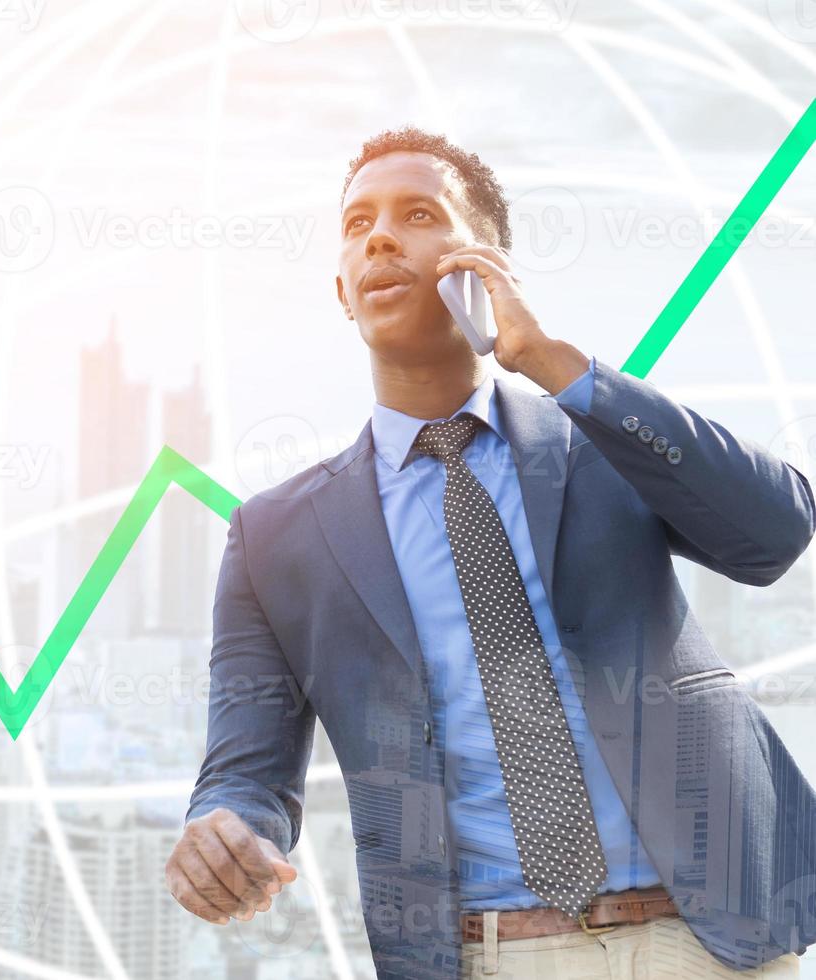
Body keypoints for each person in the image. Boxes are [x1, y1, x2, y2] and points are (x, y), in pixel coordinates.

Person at [165, 126, 816, 978]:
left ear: (489, 264)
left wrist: (550, 362)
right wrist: (225, 830)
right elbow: (246, 773)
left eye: (419, 213)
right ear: (342, 290)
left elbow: (774, 533)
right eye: (358, 224)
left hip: (708, 943)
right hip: (485, 957)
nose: (381, 237)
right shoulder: (276, 535)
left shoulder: (604, 439)